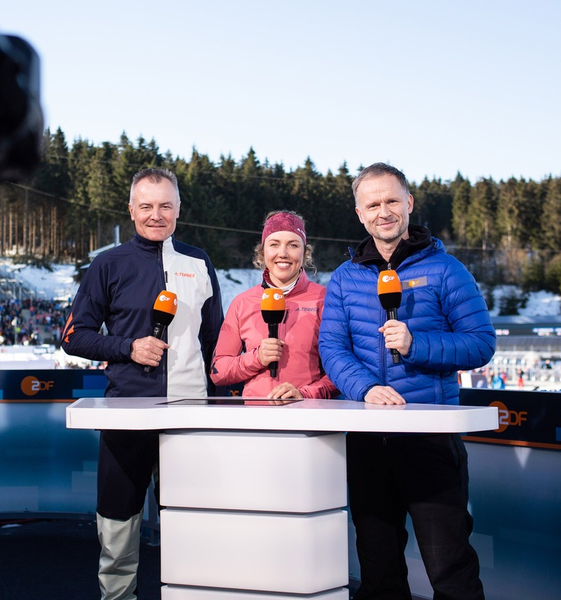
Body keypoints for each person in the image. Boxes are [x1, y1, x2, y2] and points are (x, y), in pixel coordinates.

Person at [318, 163, 495, 600]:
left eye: (392, 200)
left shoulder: (447, 269)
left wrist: (417, 343)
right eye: (373, 204)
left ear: (409, 204)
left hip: (429, 437)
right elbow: (333, 349)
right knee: (378, 572)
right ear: (359, 213)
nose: (384, 211)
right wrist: (364, 389)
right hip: (367, 437)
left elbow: (480, 344)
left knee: (449, 567)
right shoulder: (344, 278)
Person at [61, 167, 223, 600]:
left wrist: (225, 407)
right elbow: (73, 336)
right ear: (131, 209)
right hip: (127, 412)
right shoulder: (108, 263)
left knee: (192, 522)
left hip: (191, 415)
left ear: (178, 210)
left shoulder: (199, 261)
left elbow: (217, 344)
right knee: (117, 525)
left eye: (165, 205)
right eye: (147, 206)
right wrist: (127, 348)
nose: (156, 215)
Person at [210, 210, 337, 400]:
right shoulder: (242, 302)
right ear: (263, 252)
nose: (283, 254)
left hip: (309, 419)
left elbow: (340, 372)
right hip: (257, 421)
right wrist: (257, 358)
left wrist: (304, 395)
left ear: (305, 252)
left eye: (293, 245)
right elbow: (218, 372)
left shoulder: (325, 299)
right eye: (274, 244)